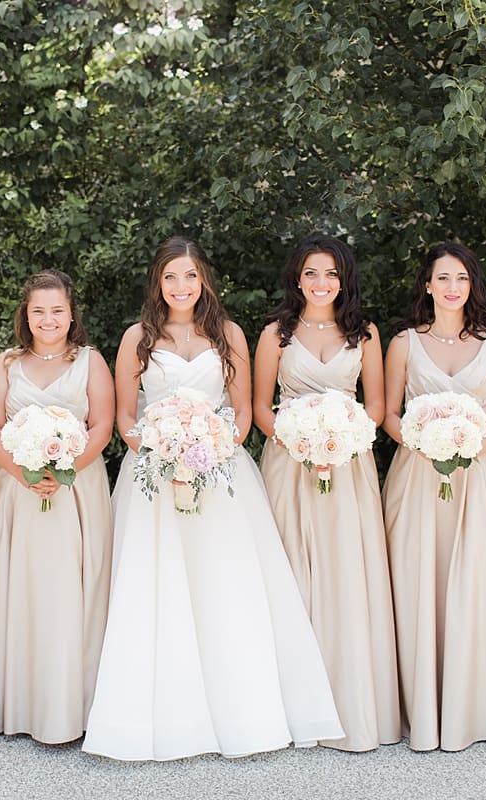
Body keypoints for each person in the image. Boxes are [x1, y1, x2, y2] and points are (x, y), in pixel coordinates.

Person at [83, 236, 343, 761]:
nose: (181, 287)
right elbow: (127, 418)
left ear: (204, 281)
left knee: (223, 583)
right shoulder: (137, 337)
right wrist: (162, 451)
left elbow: (243, 411)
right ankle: (157, 717)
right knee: (155, 587)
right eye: (171, 277)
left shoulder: (228, 334)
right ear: (158, 282)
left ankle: (242, 711)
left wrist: (211, 447)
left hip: (221, 472)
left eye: (191, 276)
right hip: (153, 473)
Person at [252, 233, 400, 752]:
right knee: (289, 569)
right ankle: (290, 706)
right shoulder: (277, 334)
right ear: (297, 277)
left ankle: (346, 699)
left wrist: (344, 440)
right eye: (312, 272)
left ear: (345, 279)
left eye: (332, 273)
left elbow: (377, 405)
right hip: (289, 462)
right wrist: (299, 440)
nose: (321, 283)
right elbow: (259, 409)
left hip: (348, 463)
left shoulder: (366, 334)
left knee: (345, 573)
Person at [381, 241, 486, 752]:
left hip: (477, 478)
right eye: (443, 278)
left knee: (473, 582)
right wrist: (425, 442)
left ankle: (470, 705)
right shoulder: (404, 344)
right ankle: (418, 702)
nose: (452, 288)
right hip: (417, 475)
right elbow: (389, 415)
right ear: (427, 285)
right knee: (418, 580)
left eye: (461, 278)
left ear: (472, 286)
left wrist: (470, 447)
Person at [0, 269, 114, 744]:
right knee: (20, 586)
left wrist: (65, 468)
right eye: (39, 310)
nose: (48, 318)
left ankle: (73, 705)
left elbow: (102, 425)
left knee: (72, 589)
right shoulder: (6, 364)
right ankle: (18, 702)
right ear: (26, 314)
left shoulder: (91, 362)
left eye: (57, 310)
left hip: (77, 488)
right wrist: (23, 472)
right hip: (18, 490)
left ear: (71, 313)